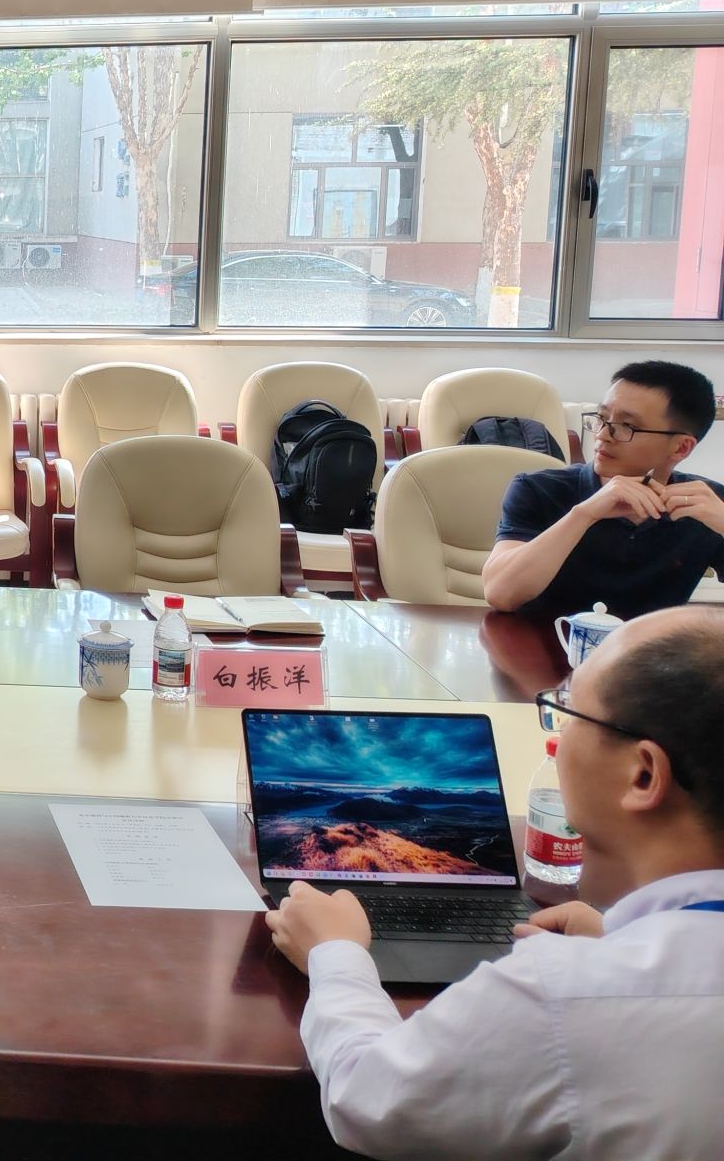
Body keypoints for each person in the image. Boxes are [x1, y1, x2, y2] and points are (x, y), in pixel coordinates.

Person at [265, 604, 724, 1160]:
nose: (558, 738)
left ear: (643, 774)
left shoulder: (561, 994)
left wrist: (335, 954)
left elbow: (367, 1097)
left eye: (567, 714)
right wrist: (620, 944)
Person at [483, 361, 724, 618]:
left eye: (627, 426)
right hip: (540, 641)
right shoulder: (539, 488)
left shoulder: (706, 504)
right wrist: (584, 514)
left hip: (648, 644)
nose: (602, 435)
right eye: (602, 418)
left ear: (681, 447)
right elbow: (500, 594)